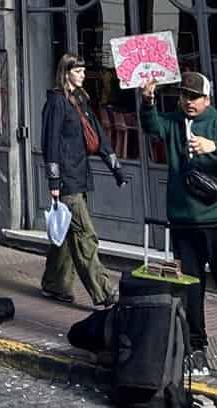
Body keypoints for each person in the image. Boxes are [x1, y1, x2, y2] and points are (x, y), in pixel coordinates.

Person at [140, 71, 217, 395]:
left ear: (206, 98)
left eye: (194, 97)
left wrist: (214, 146)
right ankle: (196, 351)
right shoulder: (175, 122)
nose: (188, 102)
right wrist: (148, 100)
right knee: (189, 291)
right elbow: (152, 126)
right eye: (183, 96)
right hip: (184, 222)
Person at [39, 53, 124, 308]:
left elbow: (98, 135)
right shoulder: (57, 103)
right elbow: (50, 143)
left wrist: (116, 168)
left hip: (80, 175)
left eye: (84, 70)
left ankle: (55, 283)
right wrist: (54, 182)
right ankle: (105, 291)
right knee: (85, 235)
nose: (83, 74)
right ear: (66, 74)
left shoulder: (81, 101)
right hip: (67, 180)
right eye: (78, 71)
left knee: (65, 235)